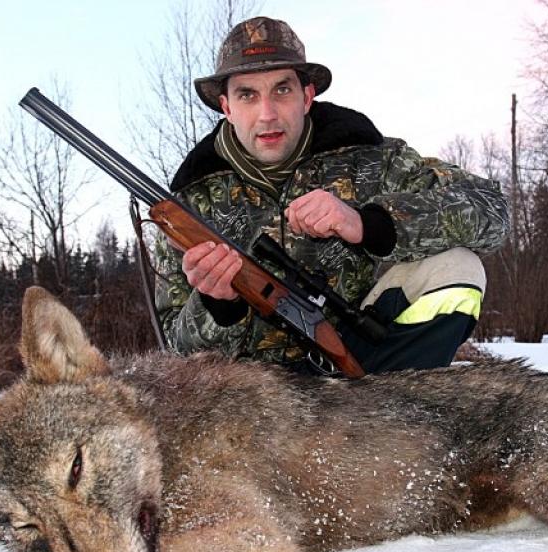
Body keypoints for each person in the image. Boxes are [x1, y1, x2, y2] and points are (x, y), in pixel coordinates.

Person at [154, 16, 509, 374]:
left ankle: (388, 412)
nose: (267, 114)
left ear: (307, 97)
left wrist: (369, 223)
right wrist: (218, 305)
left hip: (360, 368)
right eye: (247, 95)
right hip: (251, 404)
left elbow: (492, 208)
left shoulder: (367, 158)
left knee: (458, 268)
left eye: (282, 89)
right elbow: (173, 349)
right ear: (226, 107)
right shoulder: (188, 204)